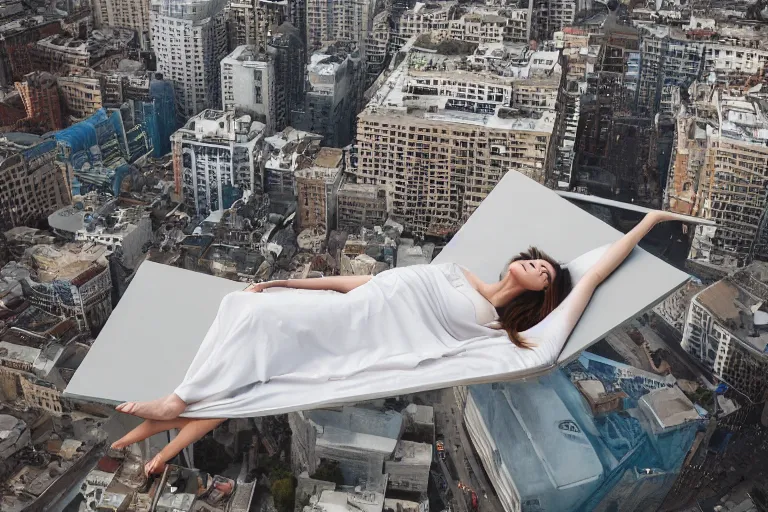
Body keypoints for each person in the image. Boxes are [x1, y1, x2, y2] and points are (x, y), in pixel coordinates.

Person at [112, 209, 691, 475]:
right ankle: (166, 434)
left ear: (540, 298)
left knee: (256, 349)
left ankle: (171, 413)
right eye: (539, 261)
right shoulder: (459, 272)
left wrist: (643, 225)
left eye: (547, 275)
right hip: (348, 309)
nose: (543, 267)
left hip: (361, 337)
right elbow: (367, 282)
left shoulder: (496, 325)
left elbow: (587, 276)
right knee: (247, 325)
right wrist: (292, 281)